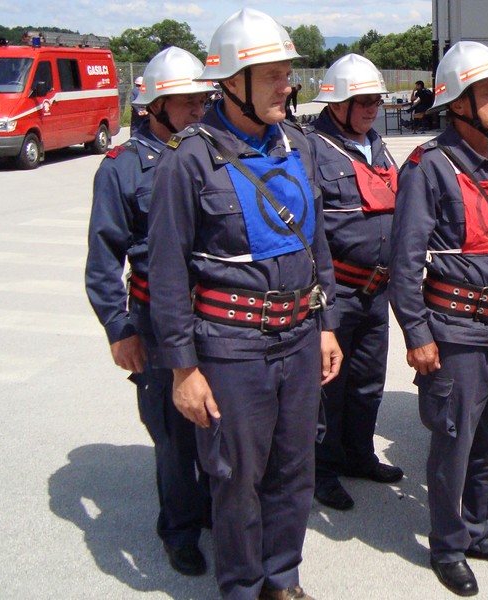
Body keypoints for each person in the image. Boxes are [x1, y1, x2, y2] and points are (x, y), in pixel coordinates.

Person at [147, 9, 342, 600]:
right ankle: (241, 586)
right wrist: (183, 369)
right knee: (235, 478)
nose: (289, 85)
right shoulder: (188, 159)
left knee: (294, 468)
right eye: (275, 75)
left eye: (288, 73)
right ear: (233, 82)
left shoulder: (297, 145)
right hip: (232, 348)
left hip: (299, 337)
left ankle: (282, 579)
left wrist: (326, 324)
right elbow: (167, 271)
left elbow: (316, 243)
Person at [389, 41, 488, 597]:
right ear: (458, 102)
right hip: (455, 332)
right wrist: (417, 334)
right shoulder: (429, 166)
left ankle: (486, 531)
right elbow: (405, 261)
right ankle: (448, 545)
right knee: (454, 443)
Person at [84, 47, 215, 576]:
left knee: (219, 421)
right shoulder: (122, 167)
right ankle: (180, 529)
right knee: (174, 434)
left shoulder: (211, 153)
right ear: (153, 105)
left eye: (202, 101)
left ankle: (216, 509)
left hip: (214, 316)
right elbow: (103, 258)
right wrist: (119, 329)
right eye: (185, 102)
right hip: (156, 320)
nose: (198, 111)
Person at [306, 54, 402, 511]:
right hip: (336, 291)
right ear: (336, 104)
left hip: (376, 291)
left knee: (367, 380)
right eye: (362, 102)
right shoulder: (312, 149)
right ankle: (322, 471)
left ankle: (359, 455)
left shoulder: (377, 145)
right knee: (328, 386)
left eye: (376, 101)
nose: (371, 109)